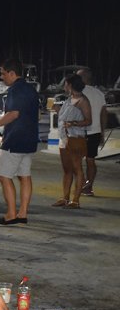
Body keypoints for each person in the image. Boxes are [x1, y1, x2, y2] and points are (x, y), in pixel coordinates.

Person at [0, 59, 39, 226]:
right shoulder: (31, 89)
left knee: (3, 176)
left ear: (12, 73)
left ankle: (11, 214)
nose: (1, 77)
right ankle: (22, 213)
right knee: (24, 176)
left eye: (3, 73)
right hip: (30, 139)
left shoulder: (15, 90)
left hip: (15, 138)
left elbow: (13, 114)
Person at [52, 74, 91, 209]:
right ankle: (65, 197)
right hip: (64, 137)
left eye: (65, 84)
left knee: (77, 168)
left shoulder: (82, 101)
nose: (64, 86)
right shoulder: (70, 99)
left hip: (75, 137)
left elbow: (88, 120)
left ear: (70, 85)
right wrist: (57, 111)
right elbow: (64, 117)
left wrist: (74, 123)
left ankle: (76, 200)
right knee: (67, 169)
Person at [77, 68, 107, 196]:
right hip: (94, 131)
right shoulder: (99, 93)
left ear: (84, 78)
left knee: (75, 161)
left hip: (79, 132)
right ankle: (89, 186)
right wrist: (102, 132)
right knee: (90, 160)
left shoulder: (78, 92)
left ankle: (82, 183)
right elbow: (103, 114)